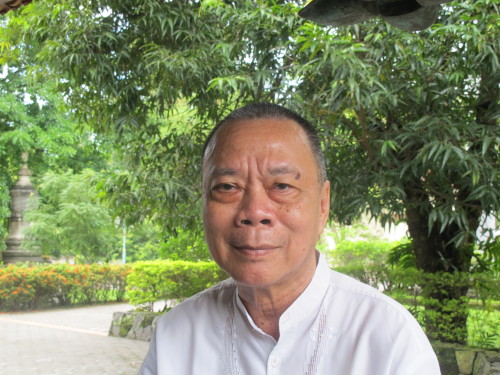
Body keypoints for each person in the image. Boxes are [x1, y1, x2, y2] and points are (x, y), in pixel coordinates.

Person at [138, 103, 441, 375]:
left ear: (323, 205)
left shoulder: (387, 337)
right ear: (203, 201)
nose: (255, 212)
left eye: (281, 186)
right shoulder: (176, 334)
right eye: (228, 186)